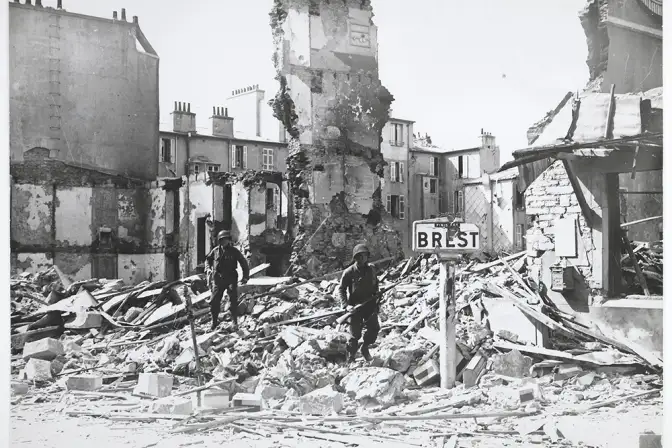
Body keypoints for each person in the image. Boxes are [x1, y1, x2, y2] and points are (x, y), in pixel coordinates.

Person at [338, 244, 380, 362]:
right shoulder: (349, 272)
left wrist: (377, 295)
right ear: (355, 258)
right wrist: (346, 305)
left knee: (374, 328)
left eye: (365, 256)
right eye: (359, 256)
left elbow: (375, 283)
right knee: (355, 335)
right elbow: (341, 289)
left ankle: (365, 348)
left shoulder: (372, 269)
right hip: (355, 306)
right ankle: (350, 356)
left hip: (370, 304)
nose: (362, 259)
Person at [204, 230, 250, 331]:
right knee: (214, 301)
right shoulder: (215, 251)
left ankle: (234, 323)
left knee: (233, 300)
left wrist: (245, 276)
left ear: (229, 240)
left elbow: (243, 262)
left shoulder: (234, 251)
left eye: (226, 240)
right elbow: (208, 260)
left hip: (231, 278)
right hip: (218, 279)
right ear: (219, 241)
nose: (224, 242)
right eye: (222, 240)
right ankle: (214, 322)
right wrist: (207, 268)